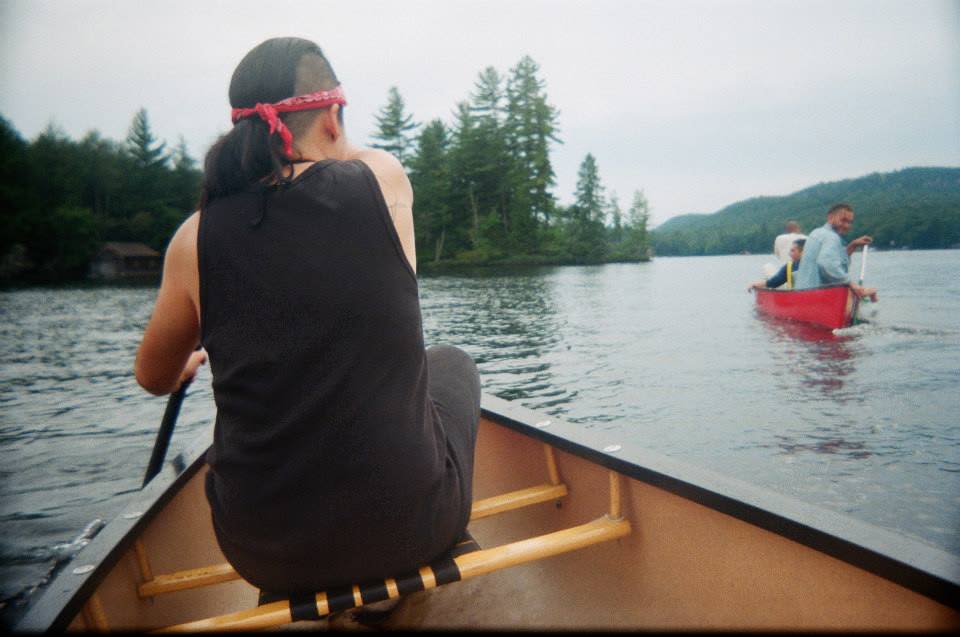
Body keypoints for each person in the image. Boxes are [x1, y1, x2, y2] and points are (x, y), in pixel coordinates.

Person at [134, 37, 481, 601]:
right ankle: (406, 571)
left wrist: (179, 371)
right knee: (450, 364)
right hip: (412, 531)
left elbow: (153, 377)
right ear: (333, 117)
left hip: (266, 556)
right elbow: (342, 165)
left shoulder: (192, 238)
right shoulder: (382, 181)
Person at [794, 203, 877, 299]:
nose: (846, 225)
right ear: (830, 217)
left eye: (850, 222)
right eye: (843, 220)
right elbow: (827, 263)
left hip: (801, 293)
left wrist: (853, 245)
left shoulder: (816, 232)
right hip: (815, 296)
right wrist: (853, 285)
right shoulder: (832, 237)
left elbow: (835, 260)